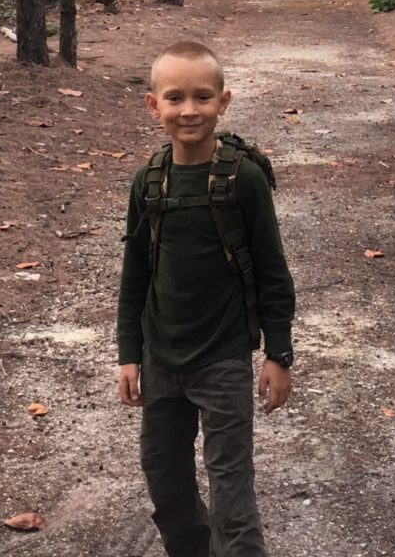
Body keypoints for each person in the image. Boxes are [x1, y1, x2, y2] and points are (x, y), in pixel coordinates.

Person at [117, 40, 295, 557]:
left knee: (231, 496)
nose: (189, 110)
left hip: (223, 358)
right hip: (160, 358)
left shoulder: (245, 178)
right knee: (165, 484)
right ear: (154, 105)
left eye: (202, 97)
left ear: (224, 100)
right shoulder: (147, 182)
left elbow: (272, 273)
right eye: (175, 98)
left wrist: (278, 353)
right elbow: (135, 275)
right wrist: (129, 354)